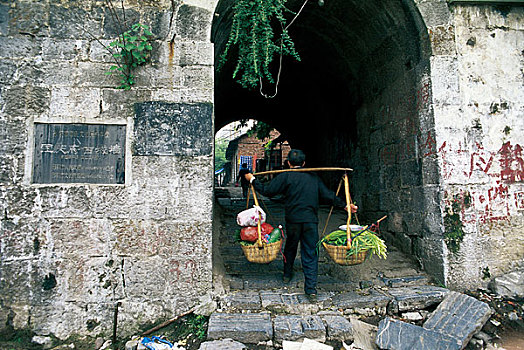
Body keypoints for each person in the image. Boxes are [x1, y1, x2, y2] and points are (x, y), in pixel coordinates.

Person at [244, 149, 357, 301]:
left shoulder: (285, 176)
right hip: (310, 220)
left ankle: (287, 274)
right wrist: (345, 205)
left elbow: (268, 191)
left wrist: (252, 179)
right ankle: (311, 290)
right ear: (304, 163)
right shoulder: (313, 178)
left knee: (291, 246)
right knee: (310, 252)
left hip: (293, 221)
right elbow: (328, 195)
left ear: (289, 163)